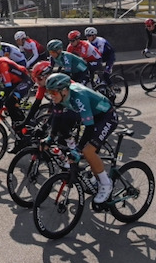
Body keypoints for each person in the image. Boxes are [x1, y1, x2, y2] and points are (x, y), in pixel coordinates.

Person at [42, 73, 117, 204]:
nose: (51, 96)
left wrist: (77, 150)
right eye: (49, 92)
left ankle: (106, 184)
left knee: (88, 151)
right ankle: (94, 176)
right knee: (64, 122)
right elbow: (57, 119)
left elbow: (89, 128)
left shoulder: (79, 96)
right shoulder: (59, 98)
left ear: (64, 90)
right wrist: (50, 138)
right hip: (93, 115)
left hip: (106, 117)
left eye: (53, 92)